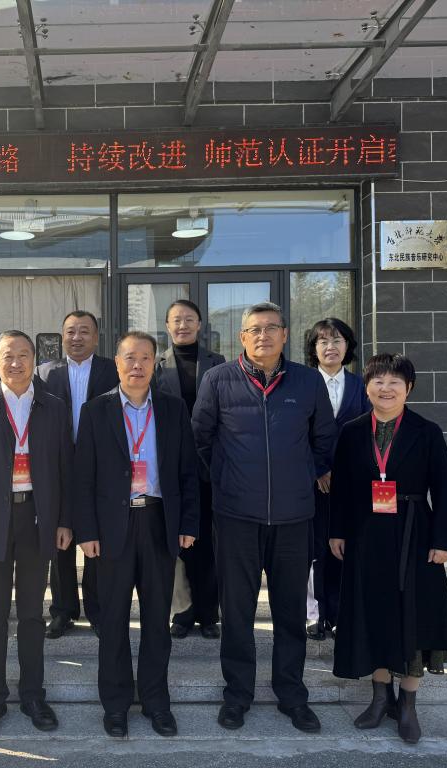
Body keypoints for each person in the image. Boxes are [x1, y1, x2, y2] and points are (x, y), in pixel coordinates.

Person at [192, 301, 337, 734]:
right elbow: (199, 438)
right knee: (236, 611)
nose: (263, 335)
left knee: (290, 611)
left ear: (285, 335)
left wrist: (302, 477)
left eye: (271, 328)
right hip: (236, 516)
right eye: (254, 329)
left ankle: (292, 694)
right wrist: (224, 479)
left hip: (293, 518)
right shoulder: (218, 380)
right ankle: (237, 695)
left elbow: (325, 439)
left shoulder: (307, 381)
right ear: (242, 337)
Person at [75, 331, 200, 739]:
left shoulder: (173, 408)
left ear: (154, 364)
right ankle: (115, 704)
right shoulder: (96, 410)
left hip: (159, 521)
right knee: (112, 619)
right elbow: (83, 476)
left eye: (146, 357)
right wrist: (86, 531)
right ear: (117, 363)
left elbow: (188, 471)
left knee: (156, 620)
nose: (137, 365)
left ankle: (155, 701)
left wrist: (188, 524)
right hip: (112, 526)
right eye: (130, 357)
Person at [329, 353, 447, 745]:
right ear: (366, 387)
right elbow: (341, 489)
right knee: (373, 613)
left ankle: (407, 704)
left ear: (408, 388)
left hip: (415, 534)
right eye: (378, 381)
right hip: (366, 534)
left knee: (414, 615)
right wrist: (337, 532)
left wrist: (443, 540)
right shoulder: (352, 432)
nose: (386, 389)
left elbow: (444, 489)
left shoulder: (426, 431)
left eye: (395, 382)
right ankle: (380, 696)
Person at [0, 330, 73, 736]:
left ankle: (33, 695)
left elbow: (65, 468)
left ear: (34, 359)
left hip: (37, 519)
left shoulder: (53, 407)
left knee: (32, 614)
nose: (16, 362)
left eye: (24, 355)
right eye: (8, 355)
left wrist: (64, 521)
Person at [37, 310, 119, 639]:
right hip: (58, 467)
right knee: (60, 541)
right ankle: (63, 610)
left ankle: (97, 609)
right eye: (70, 331)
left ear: (96, 337)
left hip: (101, 468)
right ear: (62, 337)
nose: (77, 337)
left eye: (84, 331)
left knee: (96, 539)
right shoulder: (45, 373)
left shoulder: (112, 370)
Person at [154, 299, 224, 640]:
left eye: (189, 319)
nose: (182, 325)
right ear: (167, 326)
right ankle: (181, 612)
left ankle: (209, 613)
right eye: (176, 320)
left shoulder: (218, 363)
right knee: (176, 541)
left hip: (209, 464)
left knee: (207, 541)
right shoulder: (156, 366)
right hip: (171, 465)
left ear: (199, 324)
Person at [303, 318, 370, 641]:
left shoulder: (361, 387)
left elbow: (366, 434)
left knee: (345, 547)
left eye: (337, 340)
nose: (330, 347)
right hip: (311, 483)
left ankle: (341, 612)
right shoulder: (302, 383)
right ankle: (314, 614)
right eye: (323, 341)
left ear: (348, 346)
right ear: (314, 348)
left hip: (350, 484)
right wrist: (319, 469)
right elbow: (296, 433)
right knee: (315, 549)